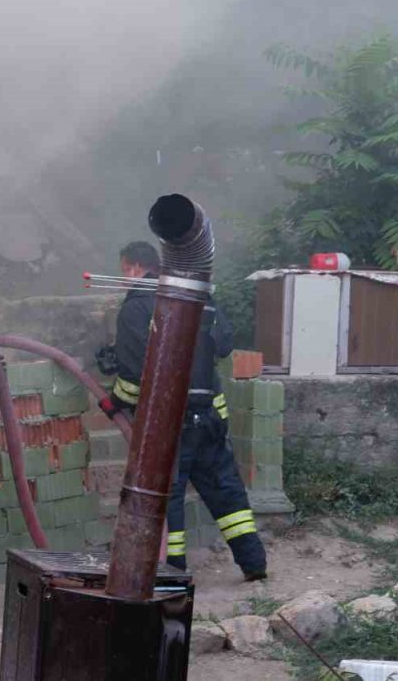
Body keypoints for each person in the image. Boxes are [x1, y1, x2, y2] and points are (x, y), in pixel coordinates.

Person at [108, 240, 267, 581]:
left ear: (136, 267)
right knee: (225, 490)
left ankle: (172, 572)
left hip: (170, 425)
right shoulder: (200, 297)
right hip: (210, 418)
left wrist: (115, 400)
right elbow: (223, 344)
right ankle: (254, 563)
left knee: (167, 498)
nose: (124, 279)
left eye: (124, 271)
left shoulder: (135, 309)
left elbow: (136, 374)